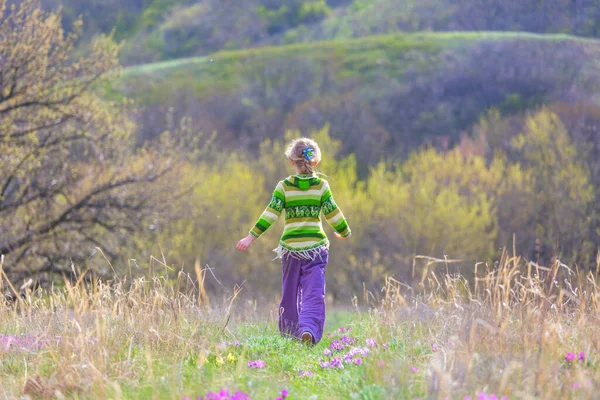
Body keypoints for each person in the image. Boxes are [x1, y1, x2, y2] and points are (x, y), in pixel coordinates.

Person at [236, 138, 351, 344]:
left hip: (290, 251)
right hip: (316, 250)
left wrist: (250, 237)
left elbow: (269, 215)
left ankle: (289, 335)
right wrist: (344, 231)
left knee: (289, 294)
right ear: (315, 162)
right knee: (314, 293)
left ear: (291, 161)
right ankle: (308, 329)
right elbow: (333, 214)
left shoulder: (284, 187)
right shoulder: (322, 187)